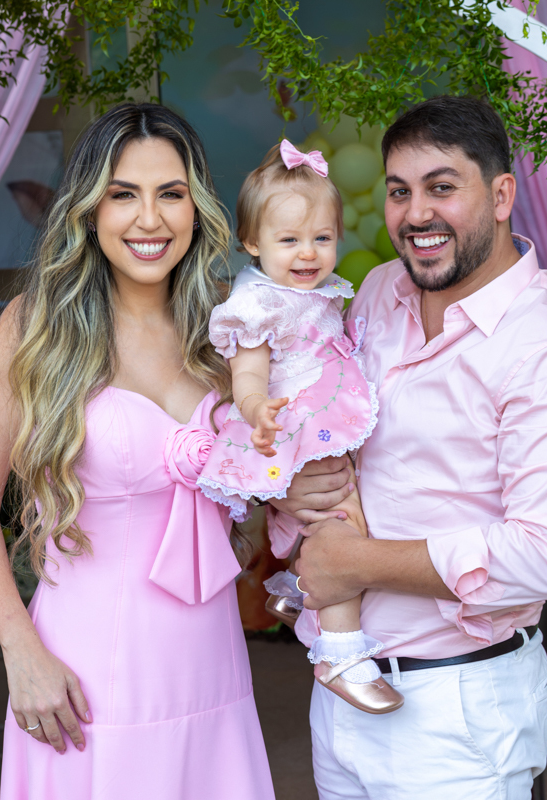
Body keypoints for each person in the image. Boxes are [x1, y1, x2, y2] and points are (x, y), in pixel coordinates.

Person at [268, 94, 547, 798]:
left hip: (460, 711)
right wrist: (295, 483)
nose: (416, 214)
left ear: (501, 195)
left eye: (442, 187)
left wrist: (354, 563)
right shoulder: (377, 291)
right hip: (343, 686)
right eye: (399, 191)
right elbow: (335, 425)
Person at [0, 103, 274, 798]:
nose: (149, 219)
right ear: (90, 210)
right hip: (81, 675)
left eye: (170, 194)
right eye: (124, 194)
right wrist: (21, 650)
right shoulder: (36, 328)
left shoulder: (229, 328)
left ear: (197, 209)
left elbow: (271, 474)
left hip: (210, 665)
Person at [198, 140, 403, 715]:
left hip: (326, 417)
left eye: (322, 238)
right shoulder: (257, 304)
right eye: (289, 241)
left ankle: (297, 592)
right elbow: (247, 373)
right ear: (252, 243)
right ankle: (340, 651)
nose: (308, 253)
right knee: (341, 523)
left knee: (337, 514)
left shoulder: (318, 292)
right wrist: (256, 408)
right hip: (294, 426)